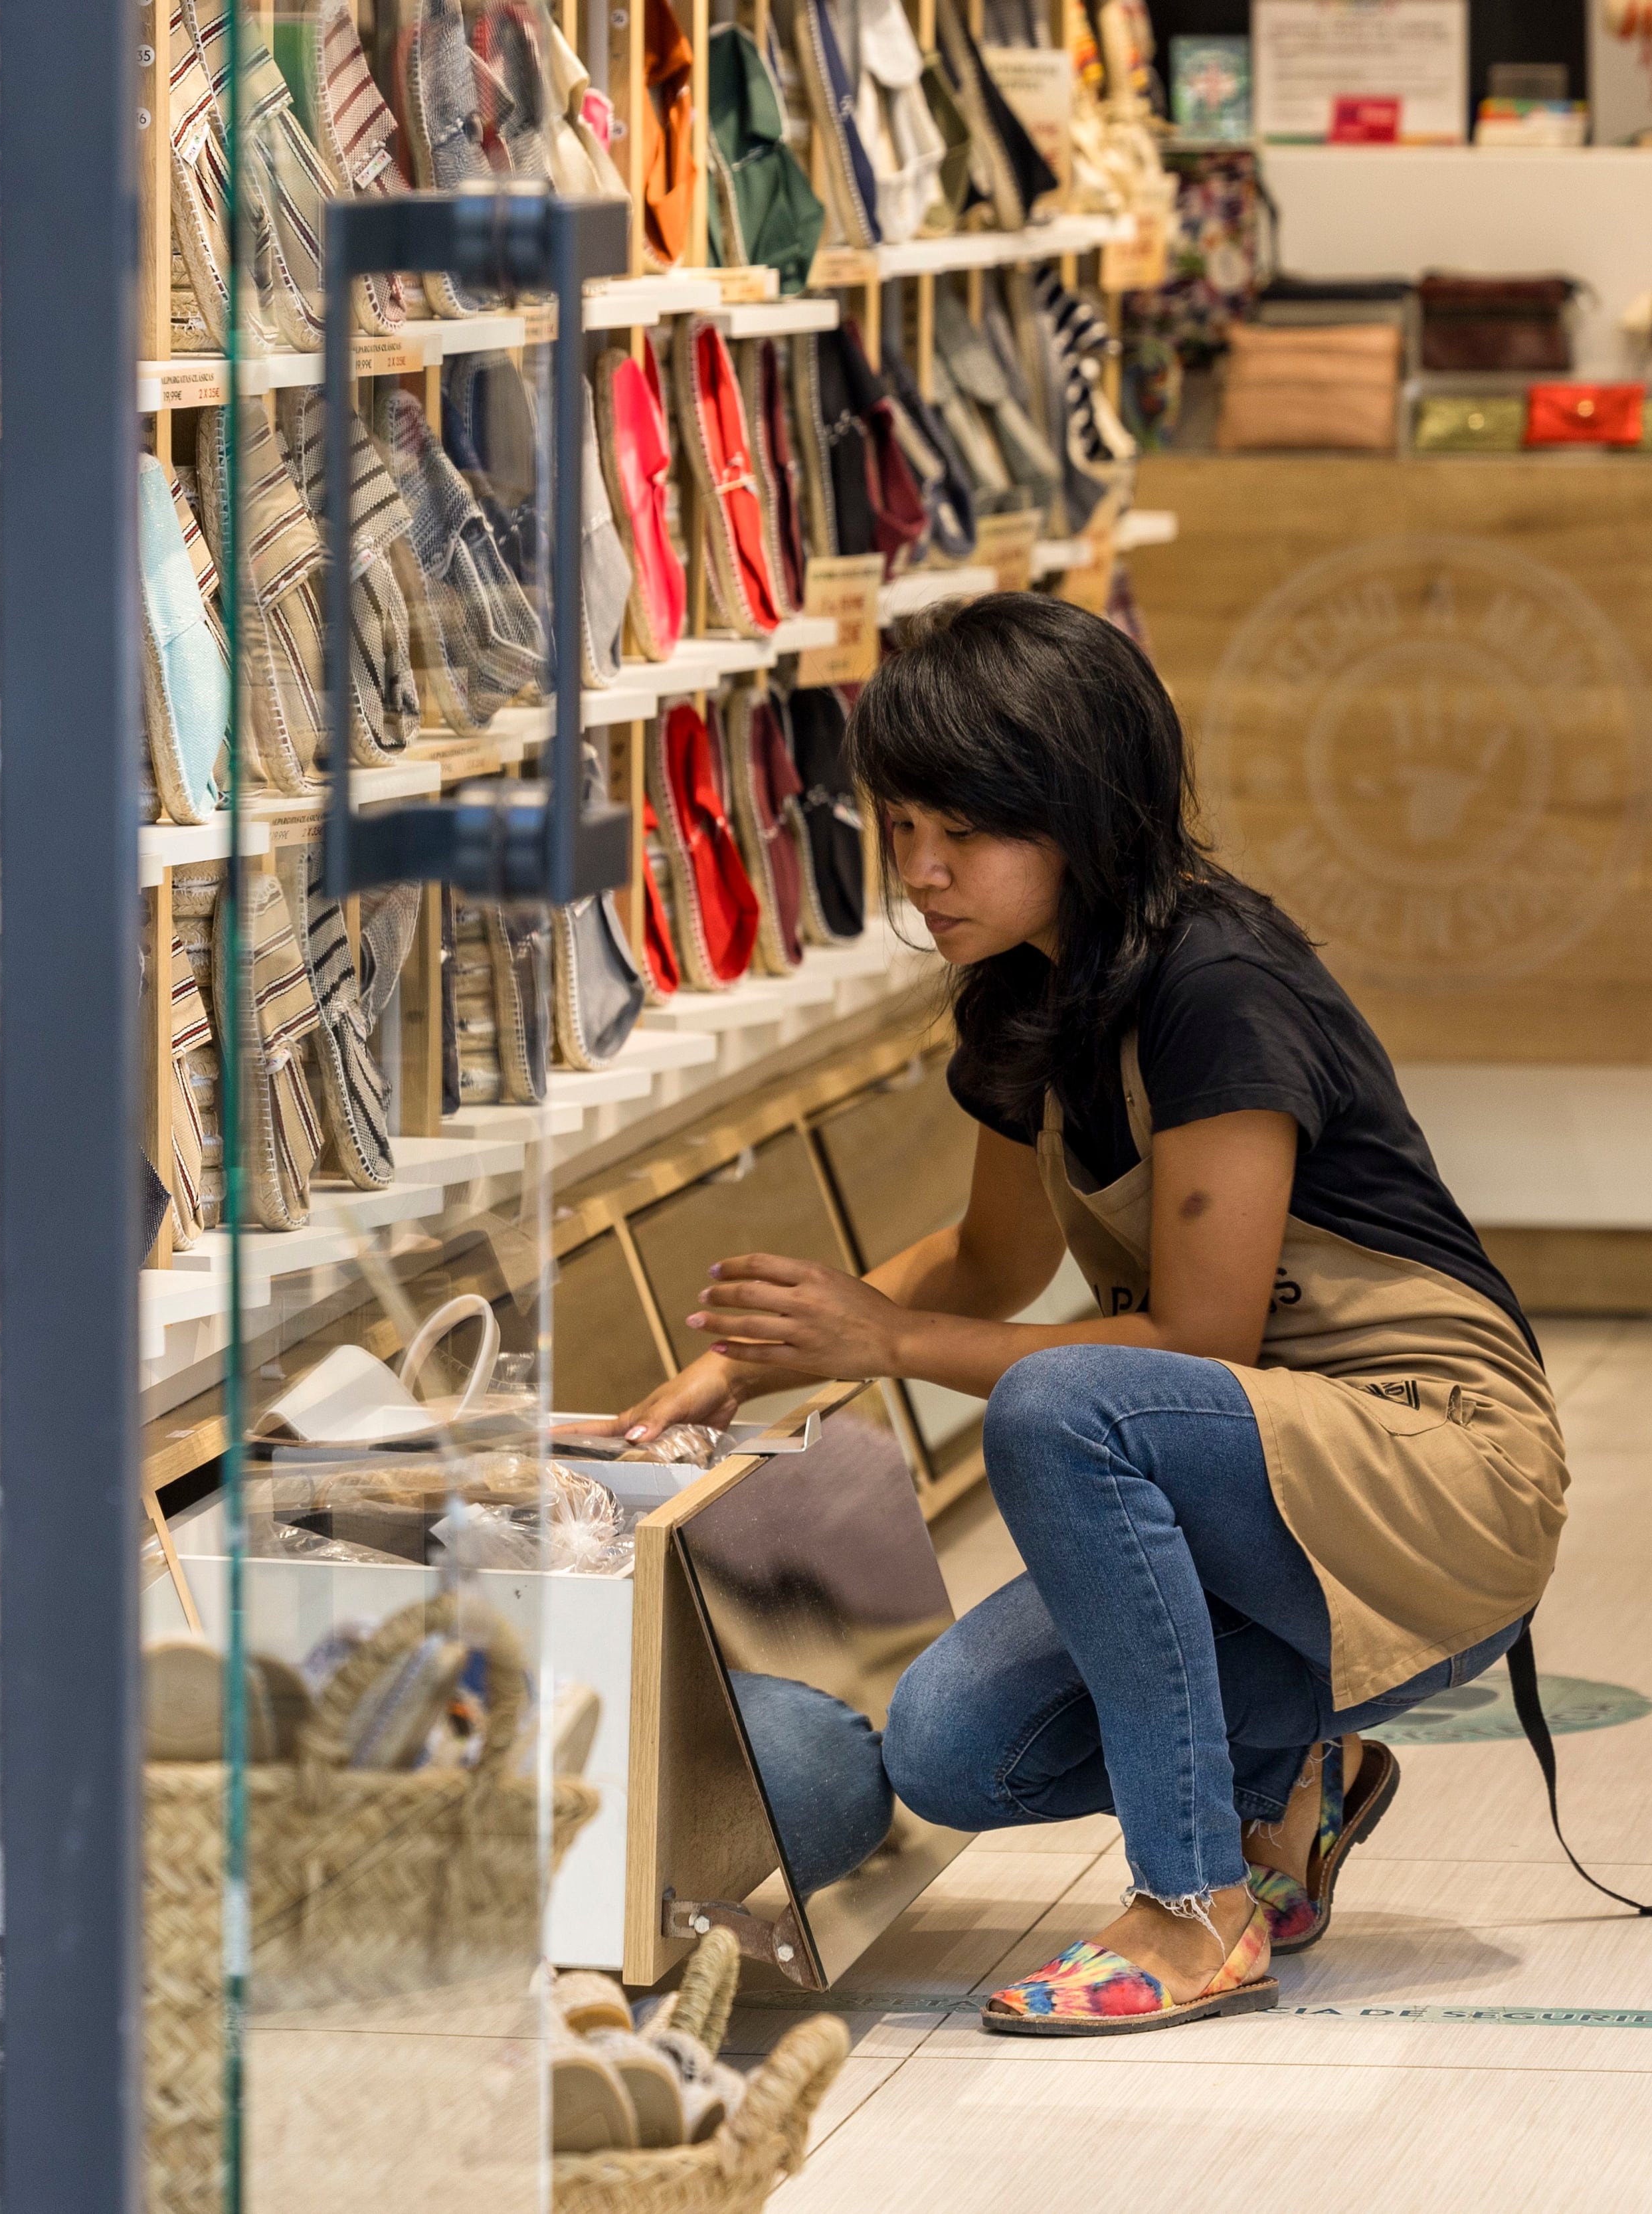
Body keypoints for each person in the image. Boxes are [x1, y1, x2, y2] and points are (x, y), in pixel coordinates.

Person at [596, 594, 1571, 2037]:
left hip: (1441, 1476)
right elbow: (990, 1261)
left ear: (1085, 816)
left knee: (1063, 1402)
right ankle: (1291, 1773)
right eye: (901, 825)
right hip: (1259, 1483)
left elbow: (1195, 1347)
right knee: (944, 1752)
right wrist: (745, 1365)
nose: (920, 873)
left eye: (964, 833)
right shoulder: (1027, 990)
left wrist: (883, 1345)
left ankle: (1193, 1909)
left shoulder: (1214, 986)